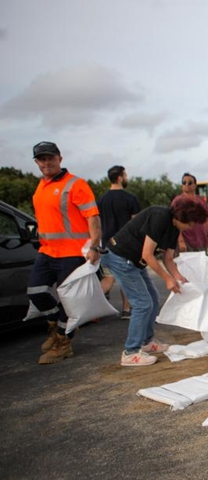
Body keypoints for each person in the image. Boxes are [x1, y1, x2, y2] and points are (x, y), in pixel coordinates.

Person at [101, 197, 208, 366]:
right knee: (143, 303)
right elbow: (147, 254)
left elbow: (168, 258)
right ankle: (131, 352)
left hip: (134, 261)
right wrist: (167, 278)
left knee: (153, 298)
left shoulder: (174, 229)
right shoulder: (159, 217)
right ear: (181, 218)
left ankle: (146, 341)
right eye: (191, 224)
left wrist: (177, 276)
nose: (191, 227)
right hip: (121, 257)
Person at [27, 141, 102, 365]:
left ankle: (63, 343)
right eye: (41, 159)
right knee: (35, 291)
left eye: (50, 157)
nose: (46, 162)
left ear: (60, 158)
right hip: (47, 251)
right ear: (37, 162)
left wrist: (94, 246)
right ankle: (56, 327)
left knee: (69, 302)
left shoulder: (76, 185)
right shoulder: (40, 186)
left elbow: (93, 217)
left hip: (71, 253)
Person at [97, 165, 141, 319]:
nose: (127, 177)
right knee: (126, 277)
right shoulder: (130, 198)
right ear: (120, 177)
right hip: (124, 245)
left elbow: (97, 221)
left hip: (105, 245)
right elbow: (136, 223)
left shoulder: (101, 199)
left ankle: (88, 306)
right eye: (126, 175)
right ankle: (126, 309)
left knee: (108, 278)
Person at [172, 173, 208, 254]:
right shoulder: (178, 201)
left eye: (189, 182)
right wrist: (180, 240)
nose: (186, 185)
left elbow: (206, 221)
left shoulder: (201, 201)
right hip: (187, 242)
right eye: (184, 182)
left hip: (201, 241)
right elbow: (173, 222)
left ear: (195, 185)